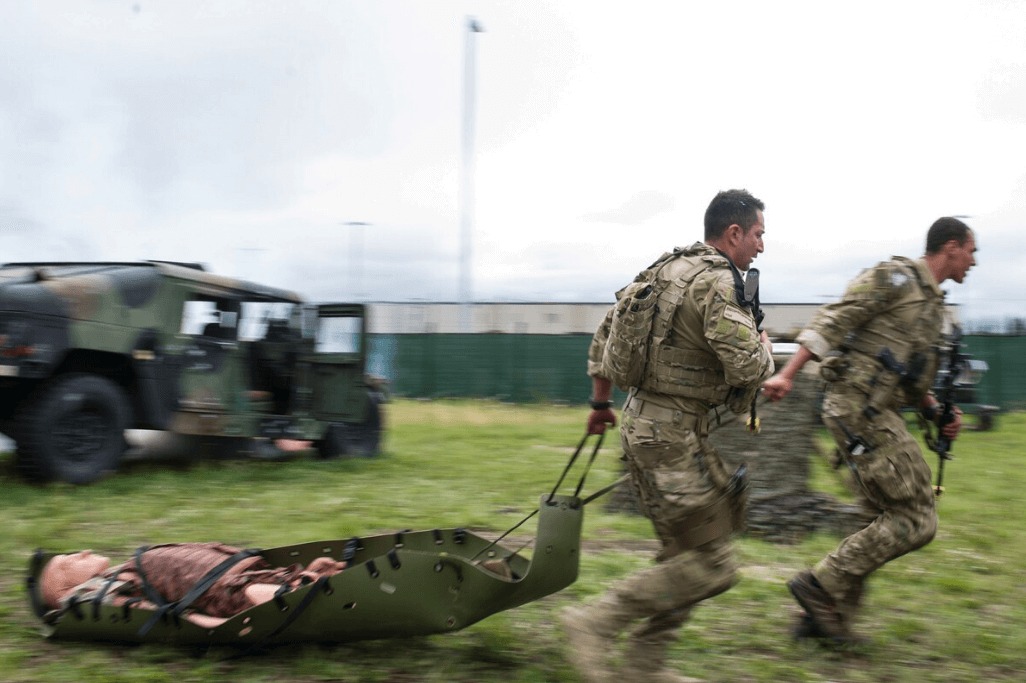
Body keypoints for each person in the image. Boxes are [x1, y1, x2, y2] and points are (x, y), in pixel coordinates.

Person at [562, 189, 774, 682]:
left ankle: (643, 667)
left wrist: (599, 405)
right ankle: (595, 622)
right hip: (672, 438)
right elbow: (745, 365)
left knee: (682, 555)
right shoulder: (719, 282)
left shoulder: (662, 271)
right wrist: (764, 348)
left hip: (643, 428)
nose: (762, 247)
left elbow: (603, 337)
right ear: (734, 232)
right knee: (713, 564)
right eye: (759, 234)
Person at [761, 217, 977, 645]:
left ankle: (822, 624)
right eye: (971, 251)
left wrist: (938, 414)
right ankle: (820, 586)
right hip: (858, 411)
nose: (973, 261)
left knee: (870, 517)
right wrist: (787, 374)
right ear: (951, 247)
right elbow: (833, 320)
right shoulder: (893, 278)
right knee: (917, 517)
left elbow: (913, 386)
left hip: (877, 411)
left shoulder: (934, 309)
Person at [39, 543, 347, 628]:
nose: (83, 552)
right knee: (255, 594)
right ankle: (310, 591)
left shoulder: (121, 572)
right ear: (70, 586)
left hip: (237, 572)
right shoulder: (101, 593)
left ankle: (306, 580)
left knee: (274, 584)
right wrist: (211, 626)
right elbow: (153, 613)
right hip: (225, 590)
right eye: (70, 561)